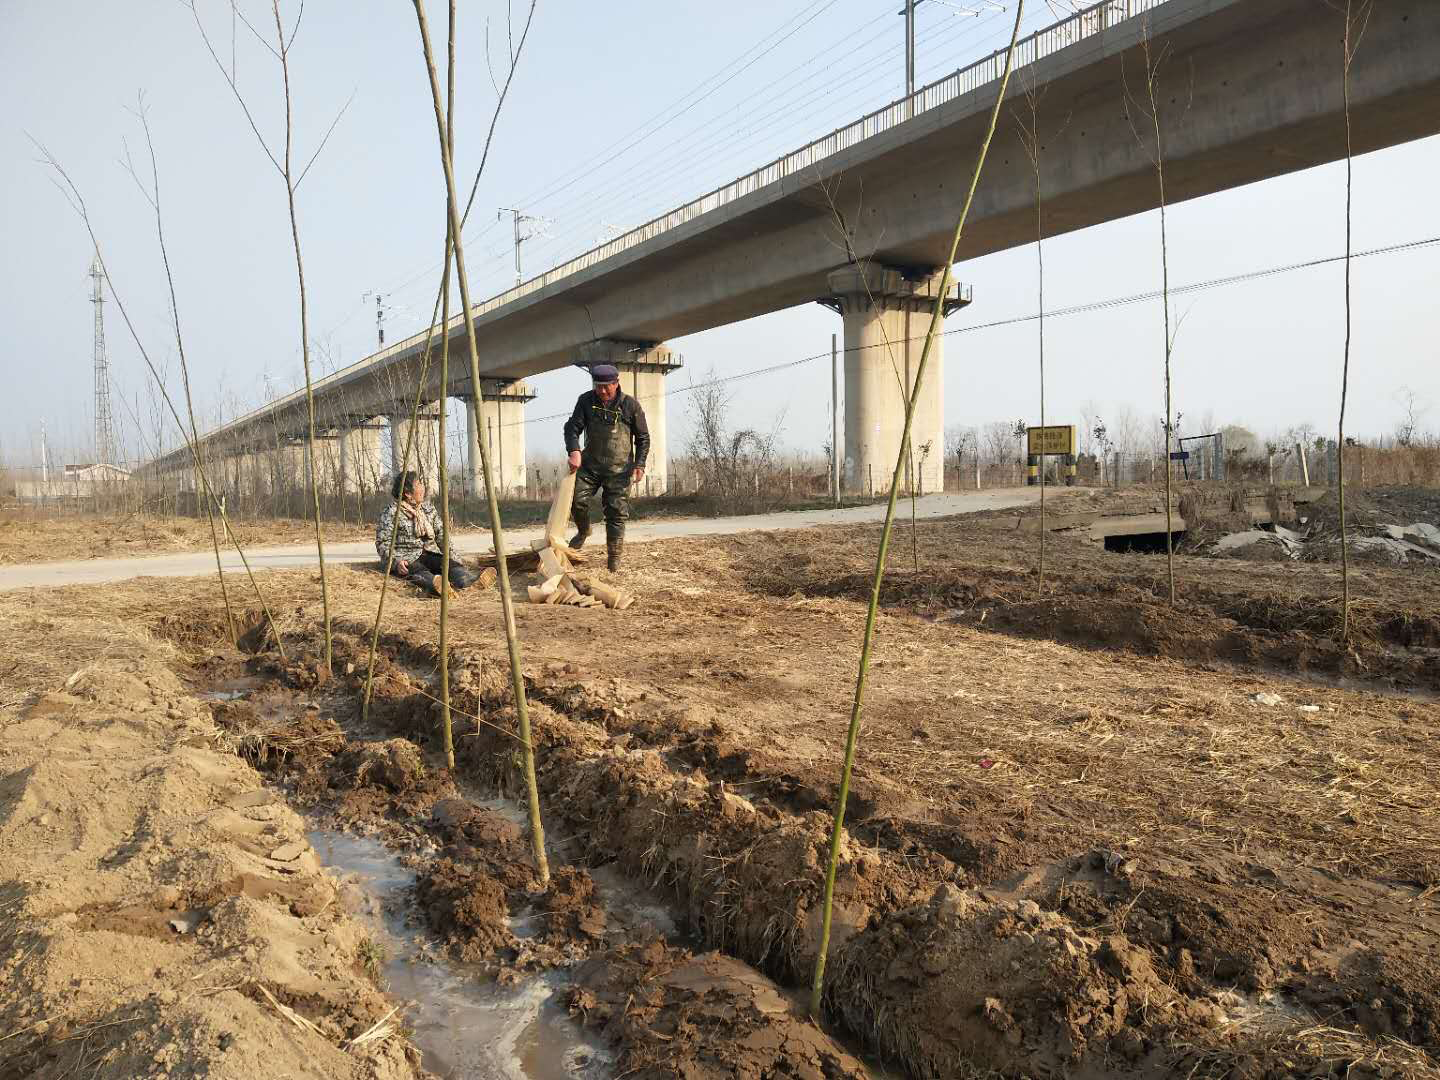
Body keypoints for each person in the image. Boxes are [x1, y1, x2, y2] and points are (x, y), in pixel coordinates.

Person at [562, 363, 649, 572]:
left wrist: (640, 464)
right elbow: (572, 428)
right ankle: (583, 531)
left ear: (616, 383)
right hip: (590, 466)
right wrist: (573, 450)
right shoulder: (585, 401)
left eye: (606, 387)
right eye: (598, 386)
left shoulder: (631, 406)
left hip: (619, 471)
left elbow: (643, 438)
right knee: (576, 501)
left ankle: (613, 562)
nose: (601, 391)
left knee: (616, 513)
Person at [375, 470, 479, 595]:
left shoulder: (427, 509)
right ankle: (437, 587)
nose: (423, 488)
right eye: (418, 484)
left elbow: (442, 537)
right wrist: (396, 562)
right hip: (408, 559)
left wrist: (455, 560)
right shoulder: (392, 512)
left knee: (448, 565)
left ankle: (468, 581)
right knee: (419, 572)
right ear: (408, 493)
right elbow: (382, 542)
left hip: (431, 553)